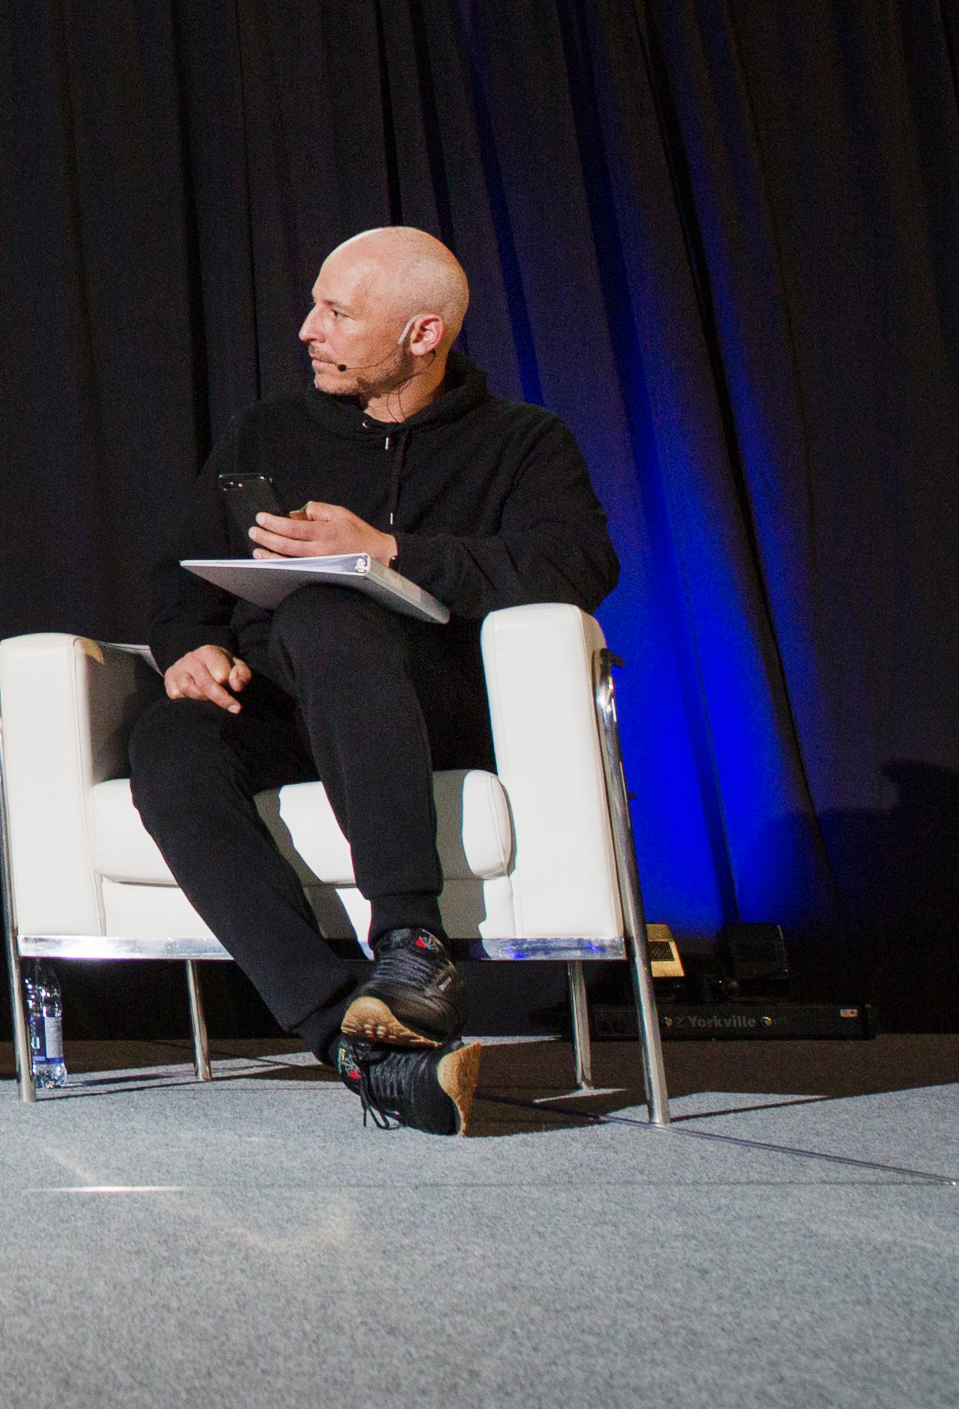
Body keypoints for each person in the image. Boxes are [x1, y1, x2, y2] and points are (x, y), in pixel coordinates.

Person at [130, 226, 620, 1138]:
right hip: (291, 699)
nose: (309, 330)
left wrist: (388, 552)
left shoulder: (520, 441)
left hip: (433, 702)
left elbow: (577, 562)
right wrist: (189, 645)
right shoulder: (268, 430)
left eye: (339, 314)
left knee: (328, 610)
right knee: (169, 738)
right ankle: (357, 1045)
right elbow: (181, 577)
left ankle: (412, 940)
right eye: (316, 304)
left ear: (423, 335)